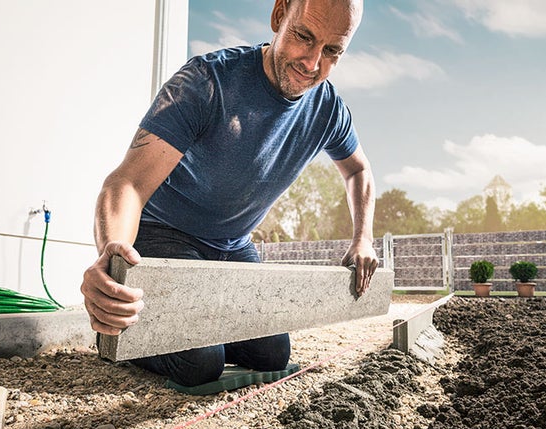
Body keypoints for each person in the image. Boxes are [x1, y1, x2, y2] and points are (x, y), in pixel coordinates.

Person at [81, 0, 377, 387]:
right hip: (165, 234)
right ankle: (131, 334)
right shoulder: (206, 82)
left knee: (272, 353)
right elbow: (127, 183)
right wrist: (111, 255)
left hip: (233, 246)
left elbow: (359, 169)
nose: (312, 63)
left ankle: (191, 321)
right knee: (200, 363)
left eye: (333, 51)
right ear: (279, 15)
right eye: (304, 37)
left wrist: (363, 238)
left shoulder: (328, 109)